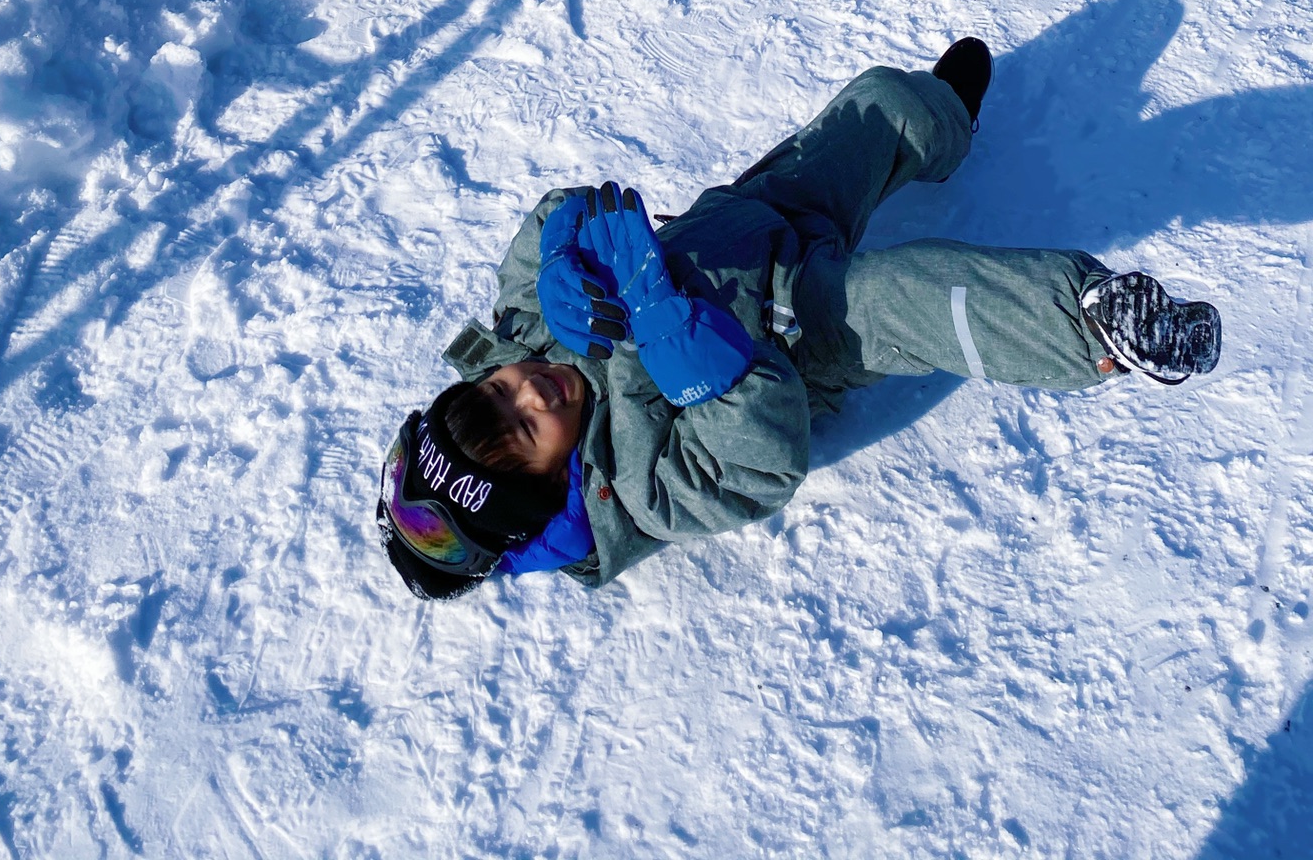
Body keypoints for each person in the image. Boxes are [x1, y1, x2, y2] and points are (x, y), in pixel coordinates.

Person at [379, 41, 1222, 601]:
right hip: (796, 330)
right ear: (551, 484)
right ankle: (1095, 326)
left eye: (498, 386)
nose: (529, 388)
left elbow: (547, 224)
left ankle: (946, 119)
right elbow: (752, 467)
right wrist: (697, 364)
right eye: (527, 427)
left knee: (881, 106)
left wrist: (565, 243)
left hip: (747, 220)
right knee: (913, 295)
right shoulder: (637, 490)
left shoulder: (525, 333)